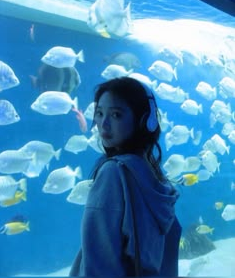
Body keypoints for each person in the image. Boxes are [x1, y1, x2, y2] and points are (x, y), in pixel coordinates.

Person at [70, 76, 181, 277]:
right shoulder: (154, 173)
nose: (103, 124)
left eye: (116, 115)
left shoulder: (113, 173)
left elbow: (99, 257)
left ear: (144, 120)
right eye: (100, 113)